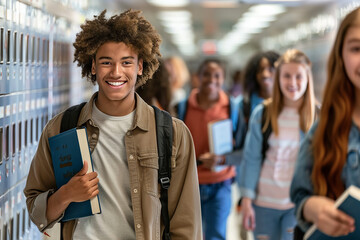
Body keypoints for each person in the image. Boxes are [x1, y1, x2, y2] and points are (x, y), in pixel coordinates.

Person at [23, 9, 202, 240]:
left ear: (139, 67)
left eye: (126, 62)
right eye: (106, 62)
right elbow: (35, 208)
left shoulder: (172, 134)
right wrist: (65, 195)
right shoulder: (62, 127)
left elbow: (187, 225)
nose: (116, 72)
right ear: (94, 66)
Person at [290, 6, 360, 239]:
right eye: (356, 48)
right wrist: (313, 209)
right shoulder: (325, 130)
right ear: (341, 56)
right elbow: (300, 195)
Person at [240, 49, 316, 240]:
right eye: (286, 76)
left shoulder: (318, 116)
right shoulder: (263, 114)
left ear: (308, 78)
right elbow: (251, 159)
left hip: (297, 205)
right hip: (263, 203)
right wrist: (246, 201)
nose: (292, 83)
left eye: (298, 76)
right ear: (278, 78)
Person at [177, 58, 237, 240]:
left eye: (217, 76)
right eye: (206, 75)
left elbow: (242, 150)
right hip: (190, 184)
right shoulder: (183, 107)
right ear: (197, 78)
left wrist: (222, 160)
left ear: (223, 79)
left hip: (221, 183)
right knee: (189, 234)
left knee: (216, 235)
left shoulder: (232, 108)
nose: (212, 80)